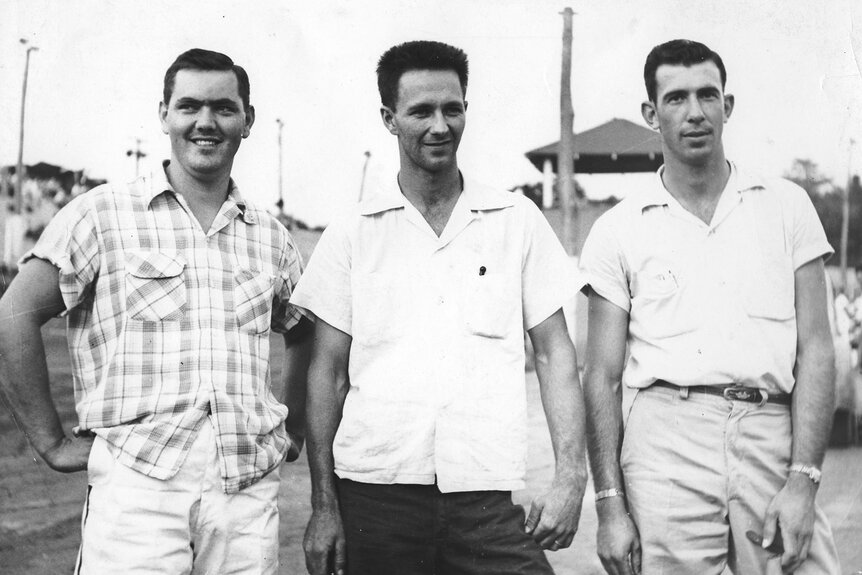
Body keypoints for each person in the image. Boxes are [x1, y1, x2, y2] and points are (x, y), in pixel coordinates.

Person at [0, 48, 312, 574]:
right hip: (138, 488)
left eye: (224, 108)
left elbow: (301, 331)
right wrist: (50, 442)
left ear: (248, 120)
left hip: (245, 491)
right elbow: (14, 315)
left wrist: (294, 424)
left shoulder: (271, 237)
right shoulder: (102, 214)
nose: (205, 122)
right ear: (164, 113)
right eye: (189, 106)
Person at [293, 40, 588, 575]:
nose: (439, 125)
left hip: (484, 498)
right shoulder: (353, 232)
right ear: (389, 118)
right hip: (375, 495)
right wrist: (323, 506)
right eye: (421, 111)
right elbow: (327, 373)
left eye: (452, 109)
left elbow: (555, 357)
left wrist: (571, 477)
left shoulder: (514, 219)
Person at [580, 39, 840, 574]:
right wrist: (609, 506)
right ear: (652, 114)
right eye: (676, 98)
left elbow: (816, 348)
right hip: (666, 441)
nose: (695, 112)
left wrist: (804, 479)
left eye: (707, 95)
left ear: (728, 105)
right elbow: (601, 375)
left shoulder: (786, 205)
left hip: (770, 428)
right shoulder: (618, 228)